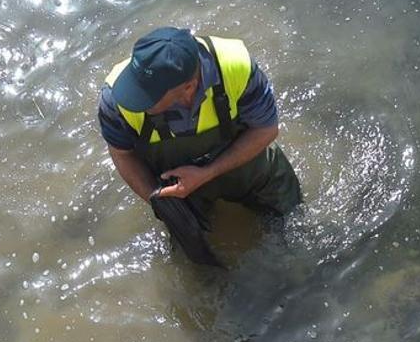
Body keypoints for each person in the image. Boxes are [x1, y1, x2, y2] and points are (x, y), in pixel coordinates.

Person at [97, 27, 302, 225]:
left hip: (249, 168)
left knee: (295, 227)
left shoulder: (236, 66)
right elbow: (122, 154)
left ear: (188, 87)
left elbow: (266, 130)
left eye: (148, 95)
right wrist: (158, 199)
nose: (133, 99)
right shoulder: (114, 98)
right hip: (181, 190)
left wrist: (207, 173)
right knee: (192, 253)